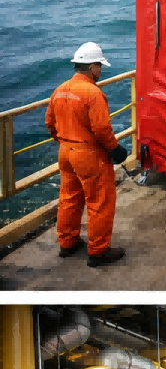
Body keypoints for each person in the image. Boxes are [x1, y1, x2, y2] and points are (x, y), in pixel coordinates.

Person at [45, 42, 127, 267]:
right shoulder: (93, 93)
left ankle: (68, 242)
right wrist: (115, 149)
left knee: (69, 198)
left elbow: (50, 123)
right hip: (89, 155)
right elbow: (101, 128)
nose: (101, 71)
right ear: (92, 67)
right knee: (99, 201)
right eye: (99, 66)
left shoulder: (59, 90)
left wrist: (64, 141)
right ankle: (99, 251)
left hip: (65, 152)